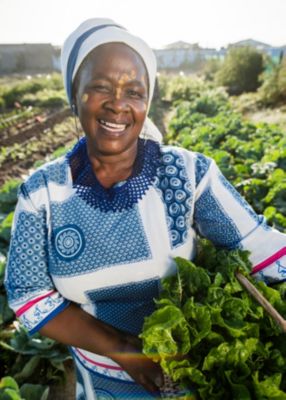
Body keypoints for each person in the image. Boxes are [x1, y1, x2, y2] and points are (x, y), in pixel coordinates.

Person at [4, 18, 286, 400]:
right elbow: (28, 294)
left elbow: (264, 251)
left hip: (188, 380)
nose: (118, 104)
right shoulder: (42, 194)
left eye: (134, 91)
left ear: (147, 101)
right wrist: (125, 350)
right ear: (75, 94)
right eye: (100, 87)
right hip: (97, 382)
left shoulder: (188, 174)